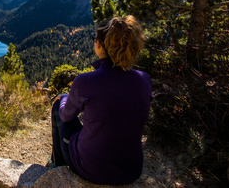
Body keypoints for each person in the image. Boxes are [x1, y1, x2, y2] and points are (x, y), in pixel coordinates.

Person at [49, 15, 152, 185]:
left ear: (100, 45)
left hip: (91, 168)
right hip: (132, 169)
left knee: (58, 105)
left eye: (94, 38)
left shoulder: (85, 81)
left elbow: (66, 116)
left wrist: (65, 98)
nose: (94, 41)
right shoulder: (144, 79)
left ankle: (57, 166)